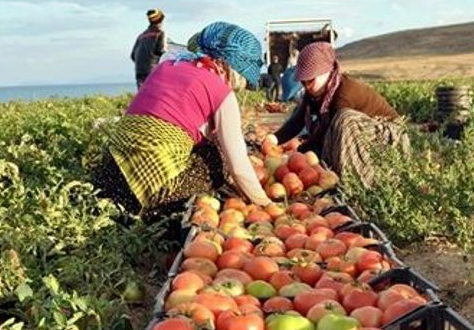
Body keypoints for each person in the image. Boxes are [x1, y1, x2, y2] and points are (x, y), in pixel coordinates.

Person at [95, 21, 272, 218]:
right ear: (234, 68)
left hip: (110, 176)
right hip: (153, 193)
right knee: (219, 157)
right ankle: (159, 211)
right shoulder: (220, 91)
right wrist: (266, 205)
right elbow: (238, 167)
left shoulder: (166, 67)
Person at [271, 41, 409, 183]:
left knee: (343, 119)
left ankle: (360, 180)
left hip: (386, 138)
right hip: (360, 134)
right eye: (303, 82)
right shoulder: (315, 92)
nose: (306, 86)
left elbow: (327, 131)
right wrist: (273, 139)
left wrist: (299, 153)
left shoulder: (344, 92)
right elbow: (297, 121)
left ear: (326, 72)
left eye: (310, 81)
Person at [130, 8, 167, 88]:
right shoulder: (160, 33)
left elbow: (133, 56)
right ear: (160, 21)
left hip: (139, 71)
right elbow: (161, 51)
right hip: (152, 71)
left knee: (142, 95)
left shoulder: (141, 36)